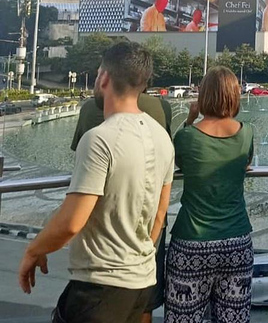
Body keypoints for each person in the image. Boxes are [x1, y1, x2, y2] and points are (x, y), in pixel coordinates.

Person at [18, 42, 175, 323]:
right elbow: (160, 216)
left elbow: (71, 223)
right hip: (141, 284)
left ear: (104, 77)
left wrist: (34, 249)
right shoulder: (162, 138)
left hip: (99, 289)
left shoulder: (99, 139)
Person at [71, 86, 174, 323]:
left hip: (97, 220)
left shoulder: (89, 109)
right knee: (143, 304)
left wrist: (37, 248)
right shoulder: (162, 108)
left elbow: (80, 159)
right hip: (149, 222)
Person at [164, 66, 254, 322]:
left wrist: (190, 119)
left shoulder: (187, 136)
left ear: (203, 96)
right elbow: (246, 162)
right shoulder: (246, 133)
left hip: (192, 243)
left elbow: (173, 158)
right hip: (237, 242)